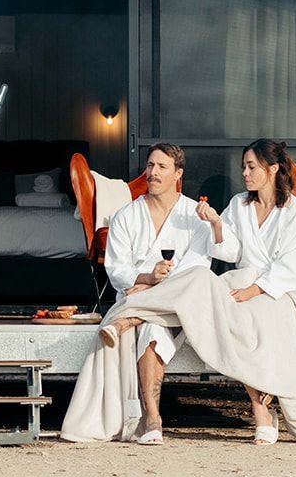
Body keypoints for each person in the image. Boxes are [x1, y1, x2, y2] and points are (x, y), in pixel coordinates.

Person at [61, 138, 296, 446]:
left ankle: (261, 410)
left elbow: (290, 269)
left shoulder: (293, 213)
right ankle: (150, 397)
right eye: (244, 167)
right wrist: (218, 224)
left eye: (251, 167)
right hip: (236, 281)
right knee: (202, 284)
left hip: (273, 291)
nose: (244, 173)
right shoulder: (238, 205)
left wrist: (253, 291)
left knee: (242, 316)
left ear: (272, 169)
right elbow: (229, 251)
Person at [82, 143, 210, 444]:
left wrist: (155, 285)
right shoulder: (127, 215)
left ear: (178, 173)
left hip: (176, 305)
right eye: (150, 165)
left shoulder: (195, 216)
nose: (152, 172)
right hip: (138, 296)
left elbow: (199, 267)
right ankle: (152, 418)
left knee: (161, 315)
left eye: (162, 167)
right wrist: (146, 277)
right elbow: (116, 269)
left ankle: (128, 320)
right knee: (152, 328)